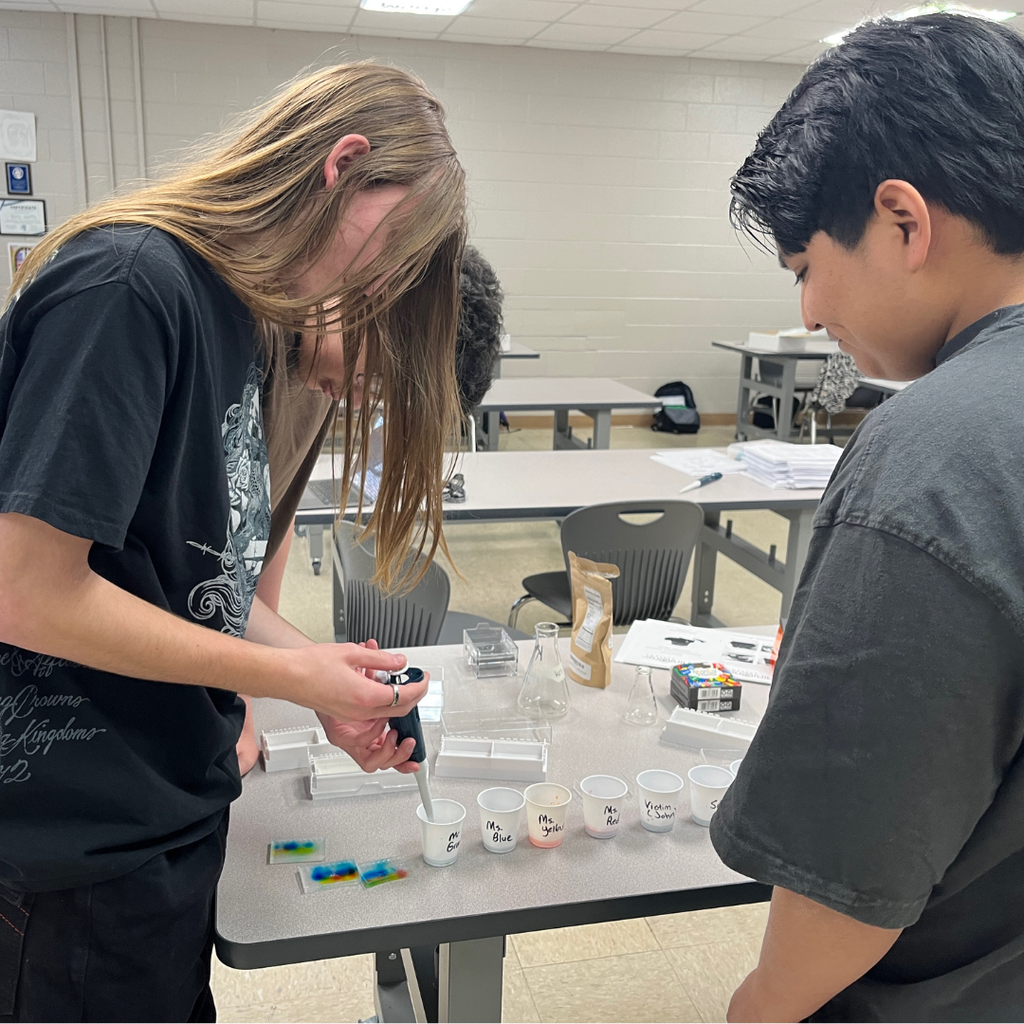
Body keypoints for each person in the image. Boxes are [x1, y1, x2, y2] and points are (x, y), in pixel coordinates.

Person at [0, 62, 466, 1022]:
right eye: (394, 260)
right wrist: (298, 683)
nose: (382, 292)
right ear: (343, 169)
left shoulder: (244, 328)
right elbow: (28, 591)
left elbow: (194, 586)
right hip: (66, 838)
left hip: (161, 809)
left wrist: (314, 668)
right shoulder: (132, 283)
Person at [709, 12, 1024, 1022]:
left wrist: (755, 1006)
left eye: (805, 267)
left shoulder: (933, 453)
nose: (806, 315)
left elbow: (852, 874)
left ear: (901, 219)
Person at [236, 244, 504, 773]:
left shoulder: (319, 377)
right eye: (375, 379)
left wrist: (247, 685)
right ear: (377, 301)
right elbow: (171, 574)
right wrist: (280, 672)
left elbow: (257, 535)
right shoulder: (240, 346)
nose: (359, 403)